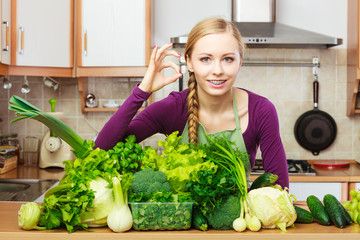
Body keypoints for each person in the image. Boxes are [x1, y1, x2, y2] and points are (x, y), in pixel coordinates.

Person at [95, 18, 289, 189]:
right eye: (206, 59)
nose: (217, 70)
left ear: (240, 62)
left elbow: (279, 185)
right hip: (182, 224)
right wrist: (142, 91)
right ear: (189, 62)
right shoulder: (174, 108)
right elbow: (101, 150)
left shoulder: (260, 110)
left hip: (240, 224)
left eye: (228, 59)